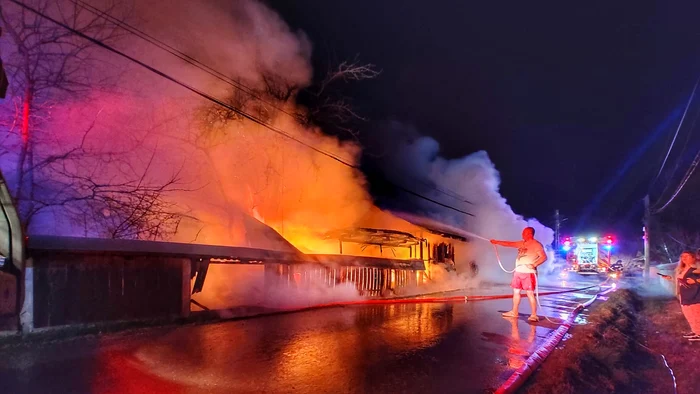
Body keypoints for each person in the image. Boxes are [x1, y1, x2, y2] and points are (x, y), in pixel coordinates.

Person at [490, 227, 548, 322]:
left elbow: (544, 257)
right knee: (516, 292)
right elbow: (509, 244)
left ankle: (534, 315)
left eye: (524, 233)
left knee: (530, 294)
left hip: (529, 273)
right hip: (518, 272)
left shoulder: (536, 245)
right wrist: (496, 242)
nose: (522, 235)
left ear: (530, 234)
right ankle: (514, 311)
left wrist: (534, 264)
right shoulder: (521, 243)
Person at [662, 250, 700, 341]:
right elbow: (680, 282)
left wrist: (695, 281)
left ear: (693, 257)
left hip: (694, 296)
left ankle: (699, 333)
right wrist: (670, 279)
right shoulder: (681, 269)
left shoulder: (696, 269)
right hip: (684, 296)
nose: (684, 258)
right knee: (689, 315)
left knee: (696, 315)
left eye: (687, 256)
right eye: (682, 256)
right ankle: (695, 331)